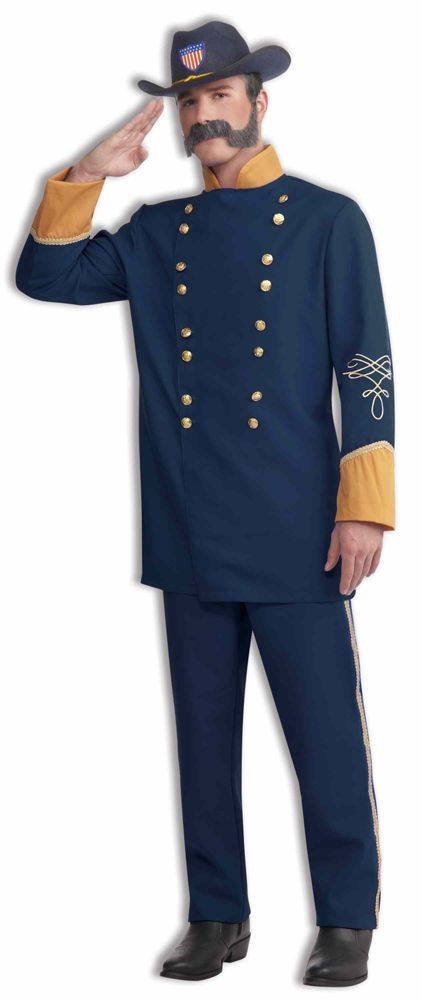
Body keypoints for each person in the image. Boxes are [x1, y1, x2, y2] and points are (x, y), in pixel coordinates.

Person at [15, 19, 395, 987]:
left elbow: (366, 362)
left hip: (299, 524)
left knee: (323, 735)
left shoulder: (326, 220)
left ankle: (346, 917)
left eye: (219, 96)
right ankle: (217, 914)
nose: (203, 115)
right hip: (187, 521)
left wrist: (365, 504)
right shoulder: (157, 233)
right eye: (190, 101)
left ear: (259, 103)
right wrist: (90, 172)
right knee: (202, 735)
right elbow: (45, 276)